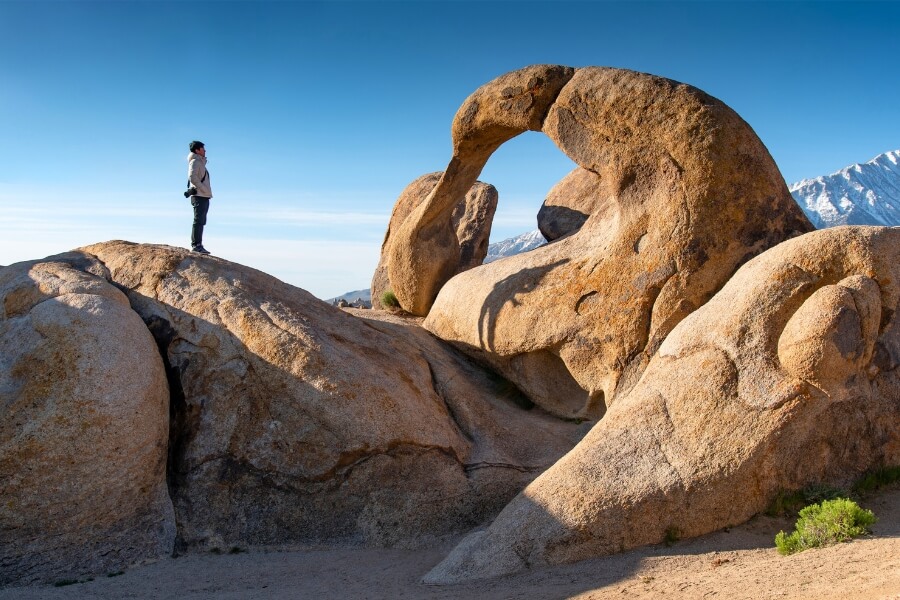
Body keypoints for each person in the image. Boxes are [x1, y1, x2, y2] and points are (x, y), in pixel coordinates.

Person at [186, 140, 212, 254]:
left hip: (203, 195)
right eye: (202, 148)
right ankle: (196, 245)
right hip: (199, 195)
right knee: (198, 220)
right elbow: (192, 177)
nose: (205, 150)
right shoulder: (195, 161)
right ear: (197, 150)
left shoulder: (200, 162)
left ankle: (198, 244)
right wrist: (202, 188)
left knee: (201, 221)